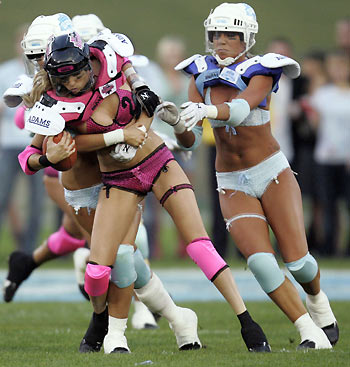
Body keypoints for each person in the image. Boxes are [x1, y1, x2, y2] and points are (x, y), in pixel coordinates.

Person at [24, 31, 271, 353]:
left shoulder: (110, 61)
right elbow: (29, 159)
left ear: (90, 60)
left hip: (155, 160)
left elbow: (139, 92)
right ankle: (112, 320)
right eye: (64, 78)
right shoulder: (52, 103)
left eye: (79, 73)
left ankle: (248, 322)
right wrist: (51, 157)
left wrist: (142, 100)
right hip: (115, 178)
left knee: (199, 246)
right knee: (102, 268)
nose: (73, 83)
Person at [157, 2, 338, 349]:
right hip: (230, 180)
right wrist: (179, 122)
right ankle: (308, 331)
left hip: (271, 171)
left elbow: (241, 109)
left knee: (298, 263)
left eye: (231, 34)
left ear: (247, 38)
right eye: (217, 34)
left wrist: (207, 110)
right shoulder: (198, 72)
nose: (222, 41)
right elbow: (191, 139)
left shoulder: (263, 67)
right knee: (261, 264)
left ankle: (317, 301)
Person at [2, 13, 89, 303]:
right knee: (108, 238)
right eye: (37, 57)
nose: (41, 64)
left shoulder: (81, 68)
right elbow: (20, 122)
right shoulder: (49, 82)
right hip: (63, 169)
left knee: (73, 233)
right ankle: (139, 312)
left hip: (88, 164)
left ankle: (24, 263)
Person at [0, 24, 45, 255]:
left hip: (36, 142)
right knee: (2, 195)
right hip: (8, 143)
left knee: (37, 201)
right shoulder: (5, 71)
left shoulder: (48, 71)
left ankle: (29, 249)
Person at [308, 50, 350, 256]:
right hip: (325, 156)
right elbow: (315, 125)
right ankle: (329, 246)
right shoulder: (323, 94)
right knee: (328, 203)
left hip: (346, 157)